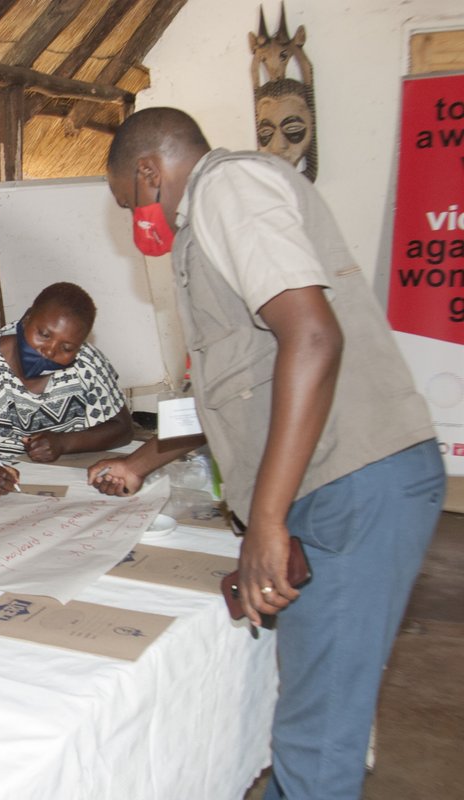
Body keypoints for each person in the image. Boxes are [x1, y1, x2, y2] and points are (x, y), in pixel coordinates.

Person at [97, 107, 444, 800]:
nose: (139, 220)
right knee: (310, 722)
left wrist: (266, 520)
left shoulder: (227, 189)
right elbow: (240, 386)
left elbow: (313, 339)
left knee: (319, 739)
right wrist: (146, 459)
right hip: (335, 486)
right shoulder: (209, 224)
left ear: (149, 172)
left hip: (352, 484)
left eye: (131, 202)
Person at [0, 282, 132, 498]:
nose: (49, 351)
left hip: (68, 485)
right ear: (27, 318)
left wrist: (64, 442)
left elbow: (122, 428)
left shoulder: (87, 363)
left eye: (67, 348)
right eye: (44, 334)